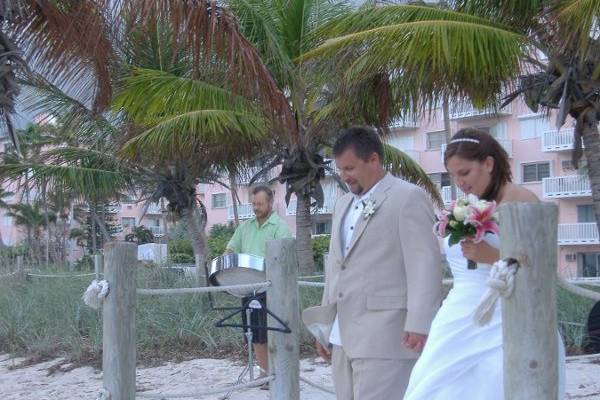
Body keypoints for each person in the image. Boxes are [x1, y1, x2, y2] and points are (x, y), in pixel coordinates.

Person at [403, 128, 566, 399]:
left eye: (464, 173)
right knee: (430, 386)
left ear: (488, 163)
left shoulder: (522, 200)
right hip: (457, 315)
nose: (459, 183)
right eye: (453, 175)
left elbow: (541, 266)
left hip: (506, 315)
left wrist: (489, 256)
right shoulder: (471, 205)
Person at [303, 126, 443, 400]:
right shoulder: (342, 205)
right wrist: (324, 326)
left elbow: (424, 266)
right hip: (343, 336)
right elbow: (335, 268)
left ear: (374, 161)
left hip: (387, 335)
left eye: (350, 168)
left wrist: (420, 322)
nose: (344, 176)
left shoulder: (407, 197)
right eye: (341, 169)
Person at [225, 185, 292, 382]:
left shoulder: (280, 227)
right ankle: (264, 371)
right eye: (253, 204)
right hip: (248, 287)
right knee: (254, 332)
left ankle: (277, 372)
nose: (255, 207)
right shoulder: (245, 227)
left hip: (272, 287)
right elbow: (231, 248)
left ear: (270, 203)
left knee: (272, 332)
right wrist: (227, 257)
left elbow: (286, 258)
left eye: (260, 204)